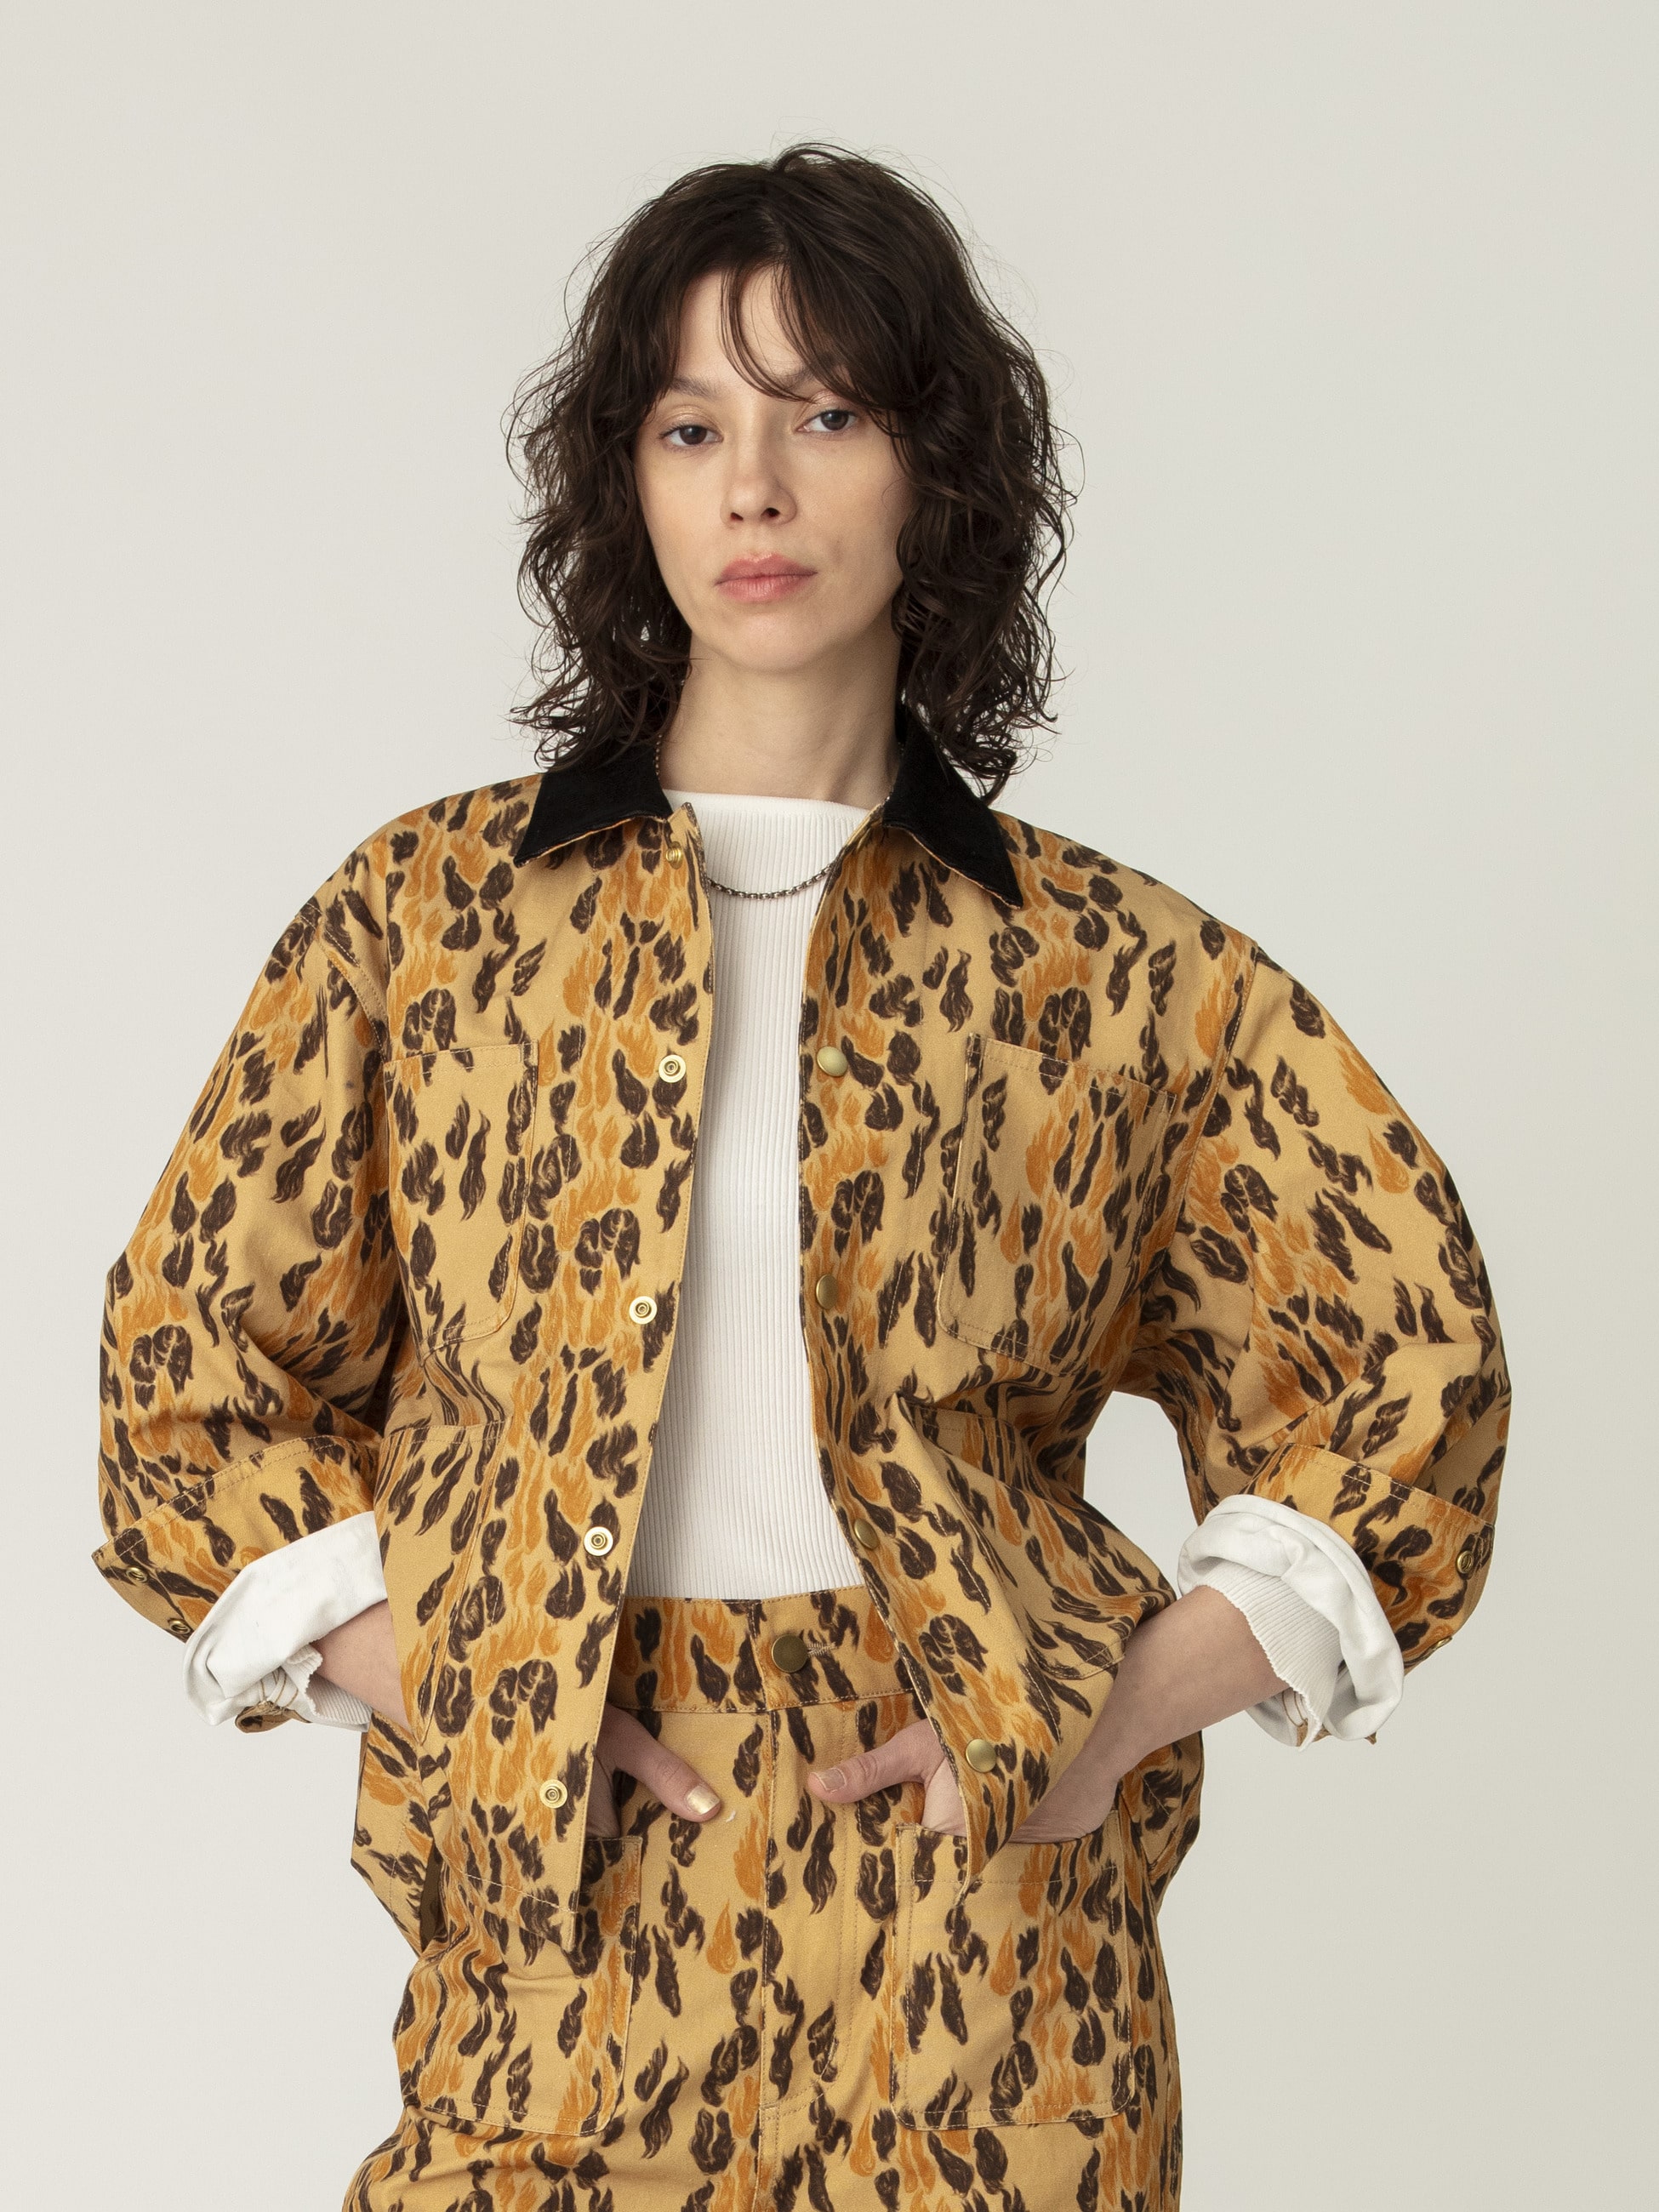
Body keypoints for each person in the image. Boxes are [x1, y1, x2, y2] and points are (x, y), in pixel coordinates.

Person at [93, 145, 1509, 2210]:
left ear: (938, 471)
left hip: (986, 1938)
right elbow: (188, 1382)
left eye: (824, 414)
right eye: (692, 428)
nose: (753, 488)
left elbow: (1405, 1383)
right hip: (568, 1908)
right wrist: (480, 1686)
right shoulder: (428, 922)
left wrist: (1105, 1705)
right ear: (628, 484)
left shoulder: (1113, 973)